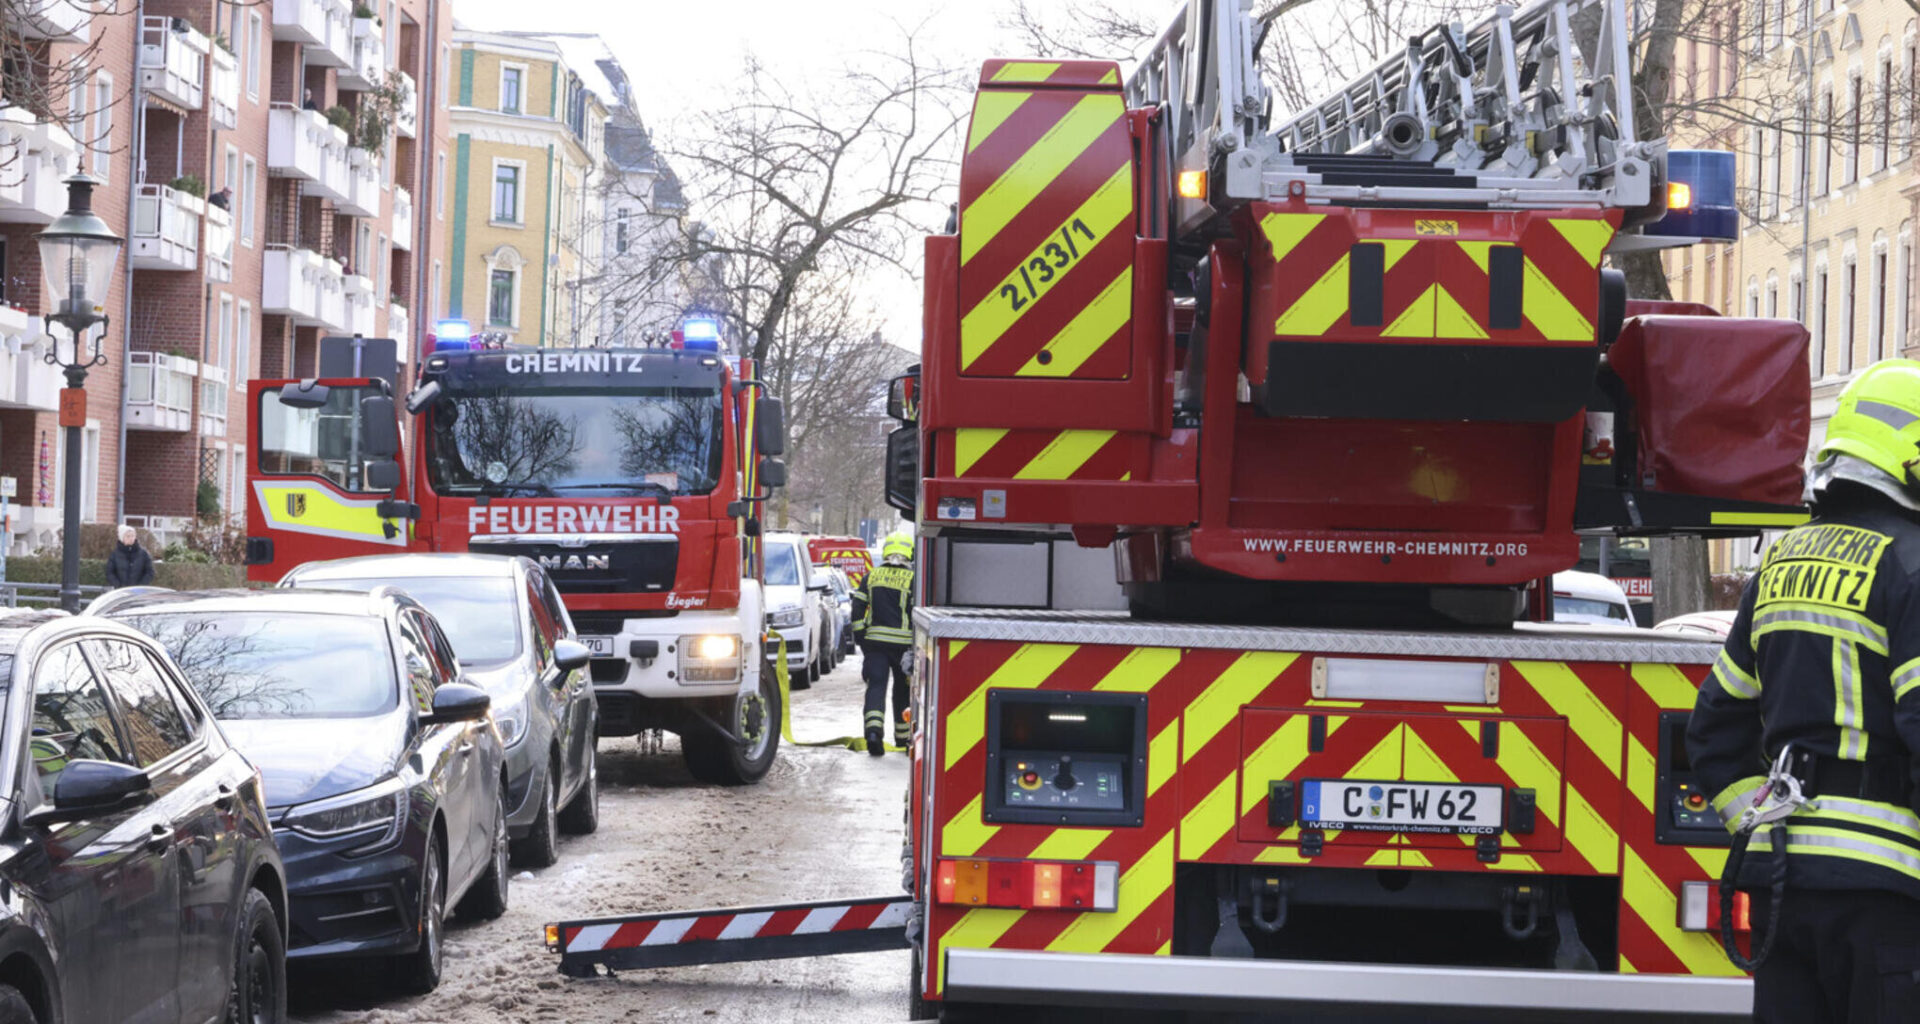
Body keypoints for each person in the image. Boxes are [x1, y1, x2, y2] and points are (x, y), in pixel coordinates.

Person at [1687, 359, 1920, 1024]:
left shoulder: (1780, 563)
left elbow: (1712, 733)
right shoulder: (1909, 567)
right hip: (1885, 898)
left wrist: (1758, 820)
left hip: (1781, 886)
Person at [851, 531, 914, 757]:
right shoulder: (913, 578)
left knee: (876, 686)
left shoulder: (871, 576)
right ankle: (905, 739)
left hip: (875, 644)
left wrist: (860, 637)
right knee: (903, 691)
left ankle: (873, 733)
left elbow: (858, 609)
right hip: (904, 647)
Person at [106, 524, 155, 589]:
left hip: (138, 592)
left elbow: (150, 572)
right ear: (122, 538)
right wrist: (118, 585)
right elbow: (110, 572)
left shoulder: (143, 554)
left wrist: (141, 586)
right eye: (128, 536)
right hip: (121, 591)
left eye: (132, 536)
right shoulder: (115, 554)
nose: (131, 538)